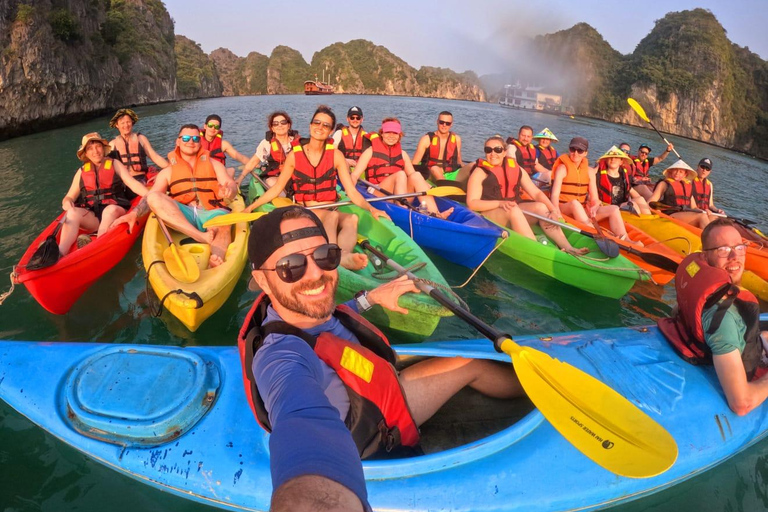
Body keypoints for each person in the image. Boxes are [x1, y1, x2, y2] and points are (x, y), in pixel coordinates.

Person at [238, 206, 525, 511]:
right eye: (291, 266)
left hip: (374, 390)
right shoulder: (282, 356)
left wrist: (371, 298)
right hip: (375, 430)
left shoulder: (302, 312)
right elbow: (300, 420)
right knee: (472, 366)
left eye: (325, 255)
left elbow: (330, 319)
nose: (316, 274)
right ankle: (535, 395)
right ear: (263, 280)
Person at [244, 105, 390, 271]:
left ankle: (343, 255)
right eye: (317, 122)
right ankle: (334, 256)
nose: (320, 127)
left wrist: (371, 209)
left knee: (352, 219)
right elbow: (277, 189)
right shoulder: (295, 155)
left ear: (331, 131)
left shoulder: (336, 156)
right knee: (332, 217)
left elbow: (351, 191)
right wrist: (251, 207)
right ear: (310, 125)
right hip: (307, 209)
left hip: (329, 206)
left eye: (325, 125)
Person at [658, 219, 768, 416]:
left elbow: (677, 310)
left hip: (718, 337)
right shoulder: (724, 320)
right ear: (705, 255)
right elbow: (741, 404)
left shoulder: (702, 284)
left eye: (739, 247)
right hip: (742, 359)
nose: (735, 256)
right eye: (723, 250)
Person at [120, 124, 237, 268]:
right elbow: (151, 197)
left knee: (224, 225)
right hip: (183, 214)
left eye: (195, 138)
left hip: (212, 213)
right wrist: (135, 214)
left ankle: (215, 260)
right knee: (153, 197)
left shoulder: (214, 164)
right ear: (178, 141)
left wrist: (229, 190)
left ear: (200, 142)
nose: (191, 142)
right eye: (186, 138)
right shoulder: (168, 171)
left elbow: (230, 183)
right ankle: (199, 235)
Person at [466, 136, 588, 255]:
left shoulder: (516, 168)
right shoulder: (480, 172)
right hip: (490, 213)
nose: (493, 154)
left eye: (497, 150)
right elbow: (472, 203)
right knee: (513, 209)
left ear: (504, 152)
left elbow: (536, 193)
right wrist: (500, 203)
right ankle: (537, 249)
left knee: (541, 207)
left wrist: (553, 210)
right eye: (488, 150)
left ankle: (568, 248)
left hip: (512, 210)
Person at [59, 132, 148, 257]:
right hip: (94, 218)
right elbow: (68, 197)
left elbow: (133, 184)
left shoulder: (115, 164)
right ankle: (59, 253)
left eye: (98, 146)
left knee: (109, 210)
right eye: (90, 148)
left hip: (115, 210)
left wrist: (150, 194)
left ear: (103, 148)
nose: (95, 151)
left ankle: (96, 248)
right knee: (72, 213)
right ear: (86, 153)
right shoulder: (82, 171)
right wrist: (67, 204)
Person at [350, 118, 451, 218]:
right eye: (388, 132)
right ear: (382, 133)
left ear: (399, 135)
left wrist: (428, 187)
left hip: (399, 194)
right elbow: (354, 176)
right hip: (378, 191)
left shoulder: (403, 154)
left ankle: (436, 214)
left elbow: (414, 177)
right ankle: (402, 210)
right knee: (401, 174)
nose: (391, 136)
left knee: (416, 174)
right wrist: (349, 190)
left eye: (395, 133)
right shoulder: (370, 151)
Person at [549, 137, 632, 240]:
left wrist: (595, 207)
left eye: (580, 150)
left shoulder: (589, 171)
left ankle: (627, 240)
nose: (575, 153)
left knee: (614, 209)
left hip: (582, 210)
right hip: (565, 208)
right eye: (572, 149)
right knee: (575, 203)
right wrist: (556, 212)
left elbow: (595, 199)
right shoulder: (562, 169)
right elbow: (554, 195)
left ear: (585, 153)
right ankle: (598, 235)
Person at [237, 111, 300, 190]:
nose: (280, 125)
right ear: (272, 128)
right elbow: (253, 162)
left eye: (283, 122)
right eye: (275, 124)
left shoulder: (299, 142)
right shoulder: (266, 144)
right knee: (271, 182)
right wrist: (240, 178)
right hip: (276, 176)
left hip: (295, 176)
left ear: (288, 125)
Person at [108, 108, 168, 185]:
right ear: (117, 125)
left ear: (132, 122)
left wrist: (168, 168)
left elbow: (155, 157)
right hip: (123, 181)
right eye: (122, 123)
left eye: (128, 122)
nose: (126, 125)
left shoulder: (141, 139)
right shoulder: (112, 144)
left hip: (140, 178)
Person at [648, 159, 711, 228]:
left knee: (708, 217)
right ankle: (708, 237)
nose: (677, 173)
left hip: (684, 214)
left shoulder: (688, 186)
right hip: (670, 214)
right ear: (671, 171)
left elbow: (694, 207)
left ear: (685, 174)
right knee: (702, 217)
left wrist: (704, 211)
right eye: (675, 170)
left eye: (681, 172)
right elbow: (651, 201)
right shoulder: (664, 184)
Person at [595, 146, 652, 216]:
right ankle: (641, 223)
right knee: (633, 205)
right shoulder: (598, 175)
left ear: (621, 162)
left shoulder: (624, 176)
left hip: (621, 206)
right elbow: (593, 195)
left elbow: (633, 192)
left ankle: (649, 219)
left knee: (640, 199)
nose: (613, 159)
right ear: (606, 160)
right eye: (610, 157)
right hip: (608, 207)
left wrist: (645, 205)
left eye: (616, 157)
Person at [412, 111, 463, 181]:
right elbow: (415, 163)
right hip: (431, 173)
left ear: (451, 124)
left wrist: (466, 168)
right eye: (441, 122)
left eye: (448, 123)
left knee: (473, 165)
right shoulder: (426, 139)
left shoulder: (457, 139)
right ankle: (445, 187)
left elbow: (459, 160)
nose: (444, 125)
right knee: (435, 168)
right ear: (437, 122)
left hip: (451, 173)